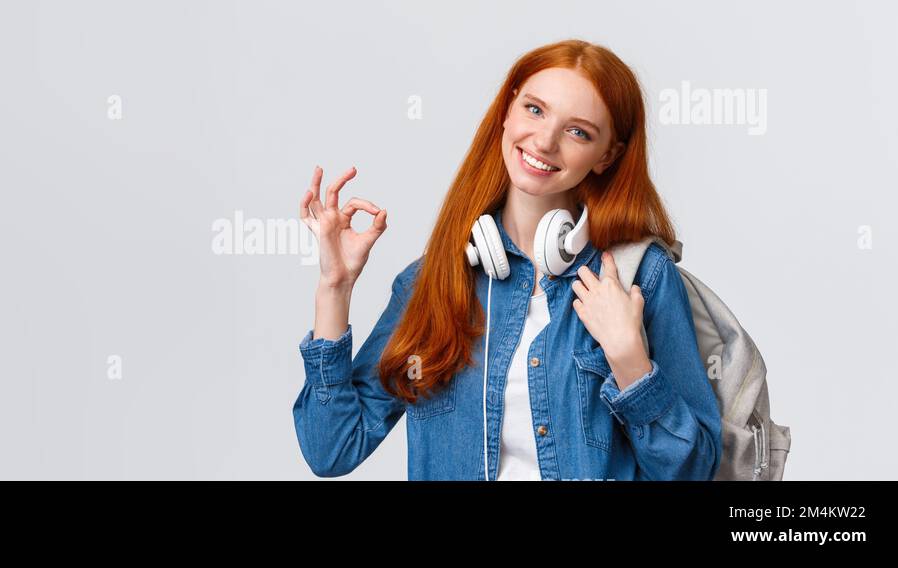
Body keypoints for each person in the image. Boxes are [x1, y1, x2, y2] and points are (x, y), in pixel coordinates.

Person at [293, 39, 722, 481]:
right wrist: (335, 288)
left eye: (579, 131)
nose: (545, 140)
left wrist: (630, 361)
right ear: (507, 110)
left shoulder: (639, 279)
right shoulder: (434, 282)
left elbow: (691, 471)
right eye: (534, 110)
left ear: (607, 155)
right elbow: (333, 449)